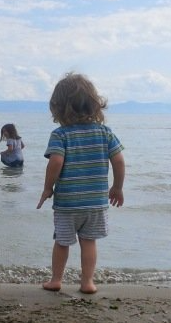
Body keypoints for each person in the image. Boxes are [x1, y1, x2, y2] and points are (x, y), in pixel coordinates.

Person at [36, 72, 125, 295]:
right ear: (94, 104)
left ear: (58, 107)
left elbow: (56, 161)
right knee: (89, 242)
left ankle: (56, 280)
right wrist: (117, 187)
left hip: (67, 203)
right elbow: (119, 160)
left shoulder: (60, 135)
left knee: (62, 242)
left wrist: (48, 188)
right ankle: (87, 283)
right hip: (95, 203)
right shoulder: (105, 133)